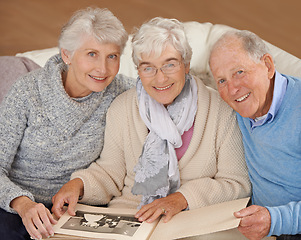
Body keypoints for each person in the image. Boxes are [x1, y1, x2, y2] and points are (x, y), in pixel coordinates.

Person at [52, 16, 250, 228]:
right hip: (131, 216)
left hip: (192, 221)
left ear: (186, 65)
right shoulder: (122, 108)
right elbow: (111, 173)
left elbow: (236, 184)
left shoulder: (221, 111)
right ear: (138, 71)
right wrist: (78, 184)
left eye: (169, 65)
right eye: (148, 68)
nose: (160, 78)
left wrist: (182, 199)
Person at [0, 7, 135, 240]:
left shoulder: (121, 89)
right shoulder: (27, 92)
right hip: (16, 207)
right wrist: (22, 203)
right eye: (91, 54)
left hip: (78, 210)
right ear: (67, 55)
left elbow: (163, 87)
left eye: (112, 56)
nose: (103, 69)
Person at [209, 30, 301, 240]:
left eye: (239, 72)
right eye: (222, 81)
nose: (233, 90)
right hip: (261, 225)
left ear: (268, 66)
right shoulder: (238, 109)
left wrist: (275, 220)